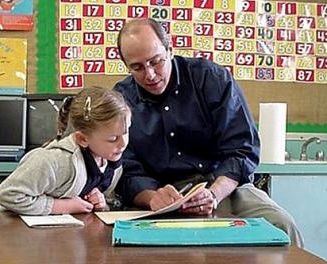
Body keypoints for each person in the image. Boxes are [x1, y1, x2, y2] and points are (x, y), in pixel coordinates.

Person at [113, 18, 303, 247]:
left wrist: (213, 195)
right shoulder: (122, 100)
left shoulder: (211, 79)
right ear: (126, 65)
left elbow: (242, 150)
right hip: (159, 196)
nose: (150, 75)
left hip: (223, 186)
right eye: (138, 67)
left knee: (281, 225)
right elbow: (123, 169)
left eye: (156, 61)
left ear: (170, 50)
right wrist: (152, 197)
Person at [0, 86, 131, 215]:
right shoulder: (54, 161)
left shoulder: (111, 162)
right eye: (113, 138)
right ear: (82, 139)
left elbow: (106, 202)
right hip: (19, 231)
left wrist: (100, 204)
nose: (123, 143)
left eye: (126, 133)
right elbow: (7, 195)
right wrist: (65, 206)